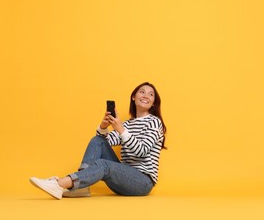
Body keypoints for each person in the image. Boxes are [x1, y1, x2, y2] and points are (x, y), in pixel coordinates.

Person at [30, 82, 167, 199]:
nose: (145, 96)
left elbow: (141, 152)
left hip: (142, 182)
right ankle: (81, 187)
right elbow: (104, 141)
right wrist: (103, 126)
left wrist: (120, 129)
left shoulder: (154, 123)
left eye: (151, 94)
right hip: (123, 177)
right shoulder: (126, 124)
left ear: (154, 103)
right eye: (141, 92)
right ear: (133, 97)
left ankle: (60, 183)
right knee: (97, 140)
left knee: (103, 165)